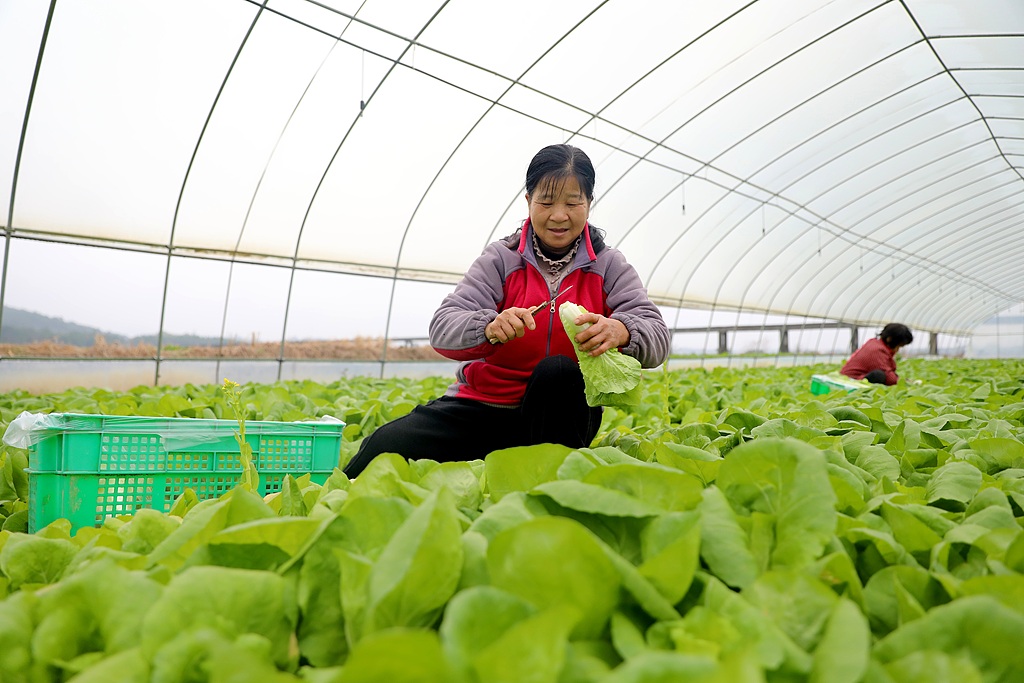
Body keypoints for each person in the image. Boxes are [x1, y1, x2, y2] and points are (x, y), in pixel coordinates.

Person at [342, 143, 671, 478]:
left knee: (558, 371)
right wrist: (488, 327)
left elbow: (657, 335)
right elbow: (443, 327)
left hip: (559, 419)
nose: (559, 215)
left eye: (573, 203)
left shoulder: (608, 265)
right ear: (529, 202)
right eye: (546, 202)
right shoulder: (501, 259)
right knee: (384, 448)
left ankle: (550, 479)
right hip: (483, 409)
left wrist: (622, 330)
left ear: (588, 204)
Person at [839, 323, 913, 385]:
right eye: (899, 346)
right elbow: (889, 377)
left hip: (853, 378)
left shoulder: (875, 343)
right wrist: (906, 383)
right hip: (851, 381)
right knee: (878, 375)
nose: (898, 349)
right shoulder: (877, 350)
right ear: (889, 339)